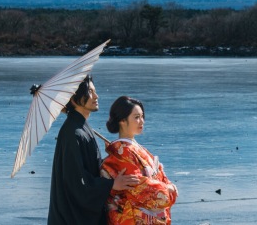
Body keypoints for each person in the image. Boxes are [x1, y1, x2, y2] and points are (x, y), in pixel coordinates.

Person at [48, 76, 139, 225]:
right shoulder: (73, 132)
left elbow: (87, 168)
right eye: (90, 92)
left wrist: (110, 159)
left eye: (95, 91)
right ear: (73, 99)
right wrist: (112, 185)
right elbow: (76, 183)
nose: (96, 96)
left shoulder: (79, 127)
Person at [100, 96, 178, 224]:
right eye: (136, 117)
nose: (141, 121)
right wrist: (168, 189)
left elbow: (159, 174)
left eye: (142, 116)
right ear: (122, 121)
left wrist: (168, 185)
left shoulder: (134, 148)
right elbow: (139, 186)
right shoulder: (123, 152)